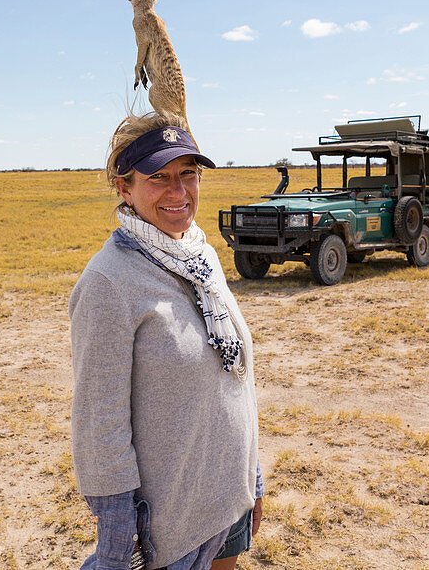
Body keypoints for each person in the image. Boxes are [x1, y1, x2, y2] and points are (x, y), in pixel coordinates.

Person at [69, 111, 264, 570]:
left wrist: (251, 477)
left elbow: (233, 378)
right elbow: (100, 424)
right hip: (172, 525)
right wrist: (118, 530)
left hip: (226, 498)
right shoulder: (109, 282)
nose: (178, 192)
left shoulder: (200, 254)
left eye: (188, 174)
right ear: (124, 187)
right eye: (158, 177)